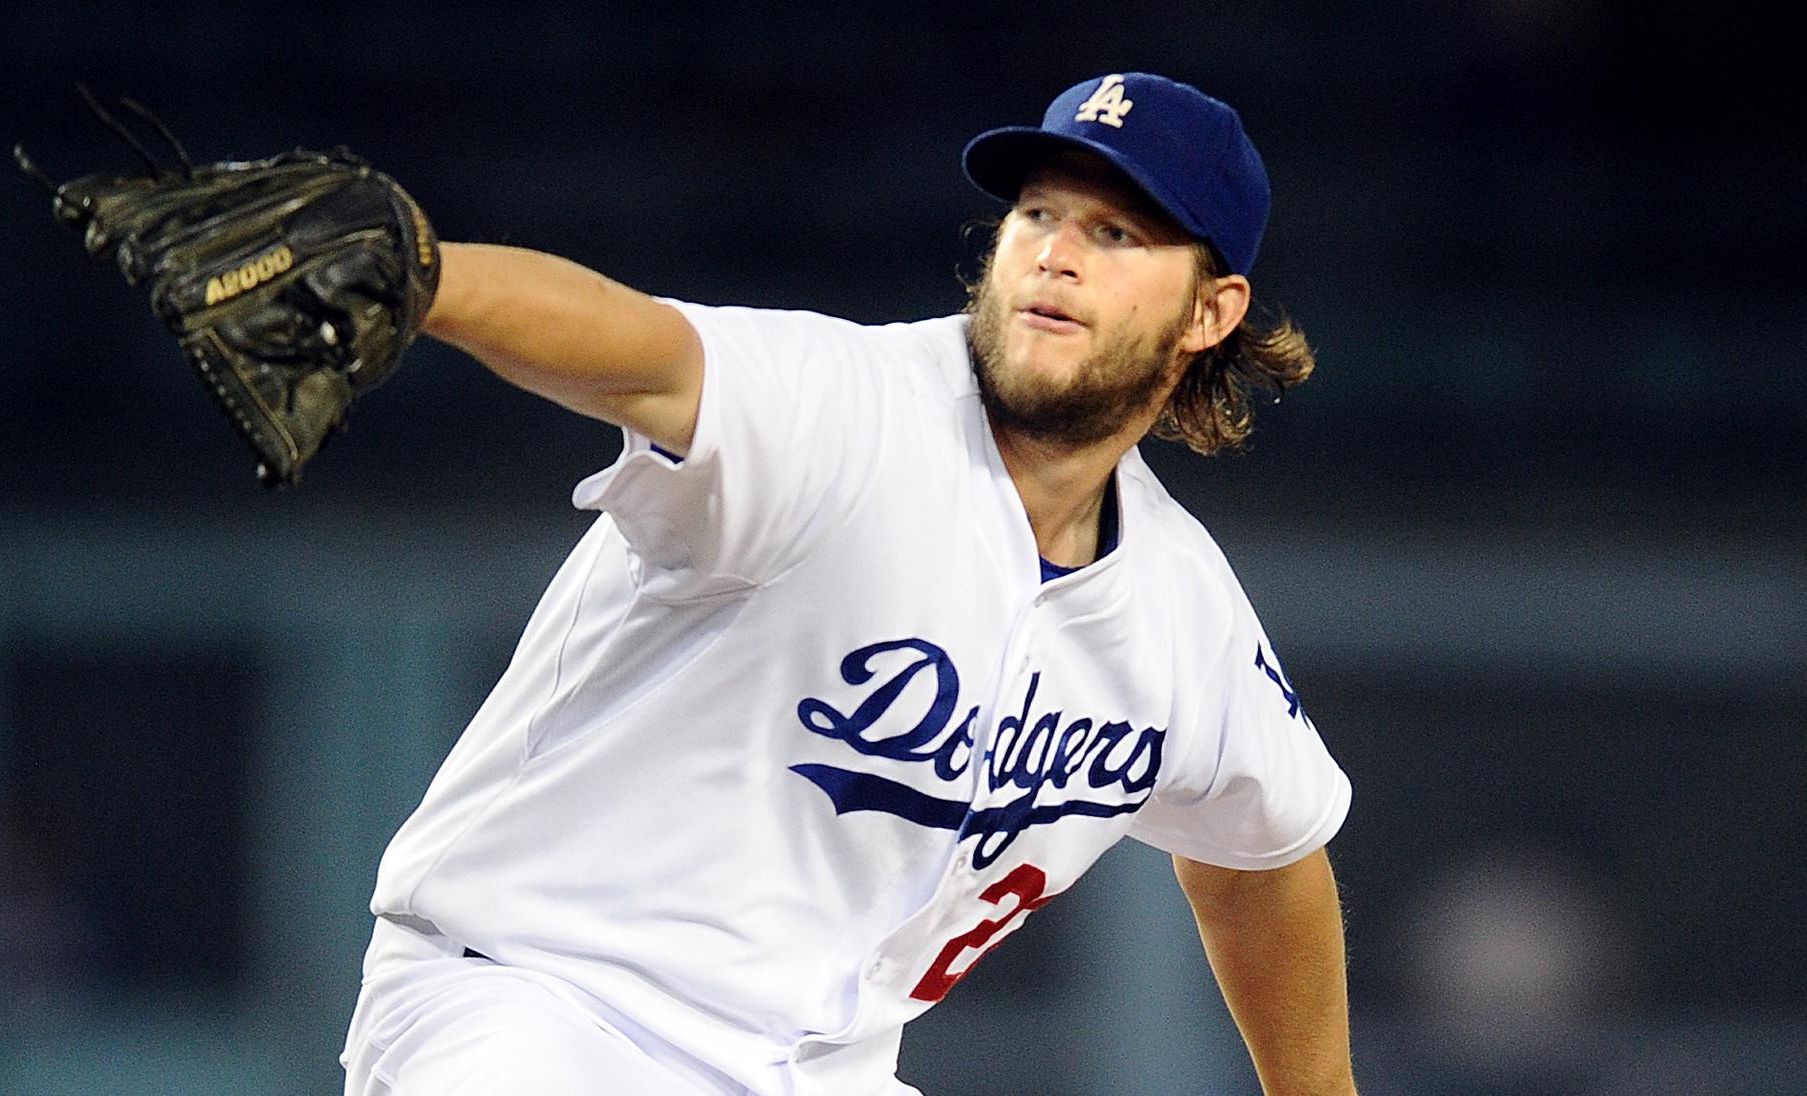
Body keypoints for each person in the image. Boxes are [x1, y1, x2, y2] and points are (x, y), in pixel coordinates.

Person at [340, 71, 1356, 1096]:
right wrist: (414, 273)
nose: (1054, 252)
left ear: (1209, 311)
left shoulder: (1180, 609)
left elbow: (1260, 859)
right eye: (1038, 212)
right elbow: (640, 352)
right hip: (538, 1002)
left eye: (1116, 235)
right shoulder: (848, 409)